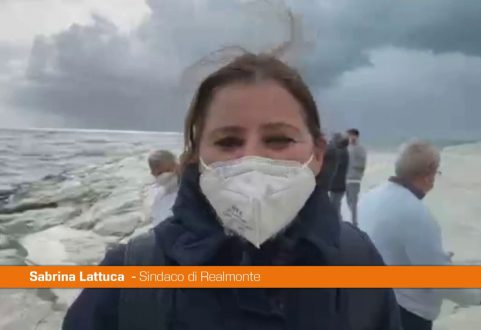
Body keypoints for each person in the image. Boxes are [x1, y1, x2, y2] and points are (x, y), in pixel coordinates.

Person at [62, 53, 401, 330]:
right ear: (197, 158)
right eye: (228, 141)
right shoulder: (127, 278)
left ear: (318, 156)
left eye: (279, 139)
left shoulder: (359, 262)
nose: (252, 159)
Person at [359, 139, 481, 330]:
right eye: (436, 172)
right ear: (429, 173)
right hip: (404, 312)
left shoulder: (369, 197)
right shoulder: (415, 213)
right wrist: (477, 296)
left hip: (367, 303)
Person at [146, 150, 179, 227]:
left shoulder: (184, 180)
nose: (166, 175)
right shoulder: (153, 190)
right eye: (160, 173)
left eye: (168, 170)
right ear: (153, 174)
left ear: (176, 166)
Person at [345, 128, 367, 226]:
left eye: (351, 135)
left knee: (353, 202)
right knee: (348, 201)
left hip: (355, 179)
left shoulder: (360, 149)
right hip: (345, 178)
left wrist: (355, 167)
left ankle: (355, 222)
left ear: (356, 136)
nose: (350, 137)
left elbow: (362, 163)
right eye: (349, 136)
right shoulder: (347, 148)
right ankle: (355, 219)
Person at [328, 133, 349, 219]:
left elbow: (333, 162)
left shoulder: (342, 153)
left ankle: (338, 224)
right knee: (335, 206)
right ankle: (338, 223)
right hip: (338, 185)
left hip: (337, 185)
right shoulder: (344, 152)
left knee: (334, 207)